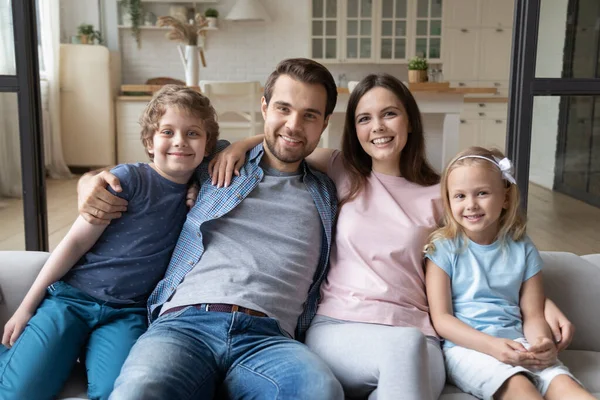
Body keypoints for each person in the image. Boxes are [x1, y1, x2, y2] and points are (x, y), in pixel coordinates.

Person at [210, 74, 576, 400]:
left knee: (408, 347)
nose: (378, 127)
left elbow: (491, 252)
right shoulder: (341, 169)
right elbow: (290, 141)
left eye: (390, 113)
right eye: (364, 118)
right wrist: (240, 145)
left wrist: (544, 304)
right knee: (405, 347)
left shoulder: (443, 193)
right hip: (341, 329)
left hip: (420, 337)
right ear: (354, 130)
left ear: (410, 122)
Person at [78, 58, 344, 400]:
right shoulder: (215, 160)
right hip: (184, 324)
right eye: (283, 108)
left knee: (320, 390)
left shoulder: (329, 190)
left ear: (324, 123)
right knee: (139, 390)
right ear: (264, 108)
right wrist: (88, 183)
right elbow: (145, 173)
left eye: (309, 115)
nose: (293, 125)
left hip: (269, 340)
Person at [0, 85, 219, 400]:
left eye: (193, 134)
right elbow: (74, 244)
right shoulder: (124, 180)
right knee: (20, 392)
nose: (180, 141)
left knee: (116, 391)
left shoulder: (203, 194)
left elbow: (243, 152)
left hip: (127, 313)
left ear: (207, 145)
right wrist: (26, 307)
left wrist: (198, 182)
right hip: (72, 300)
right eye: (167, 132)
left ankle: (82, 347)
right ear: (149, 141)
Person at [424, 147, 594, 400]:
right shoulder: (442, 249)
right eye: (459, 196)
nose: (471, 205)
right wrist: (493, 347)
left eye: (482, 193)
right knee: (521, 388)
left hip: (518, 343)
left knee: (570, 390)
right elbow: (442, 319)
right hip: (468, 349)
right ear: (448, 201)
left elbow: (534, 314)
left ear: (504, 198)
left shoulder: (523, 248)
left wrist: (541, 344)